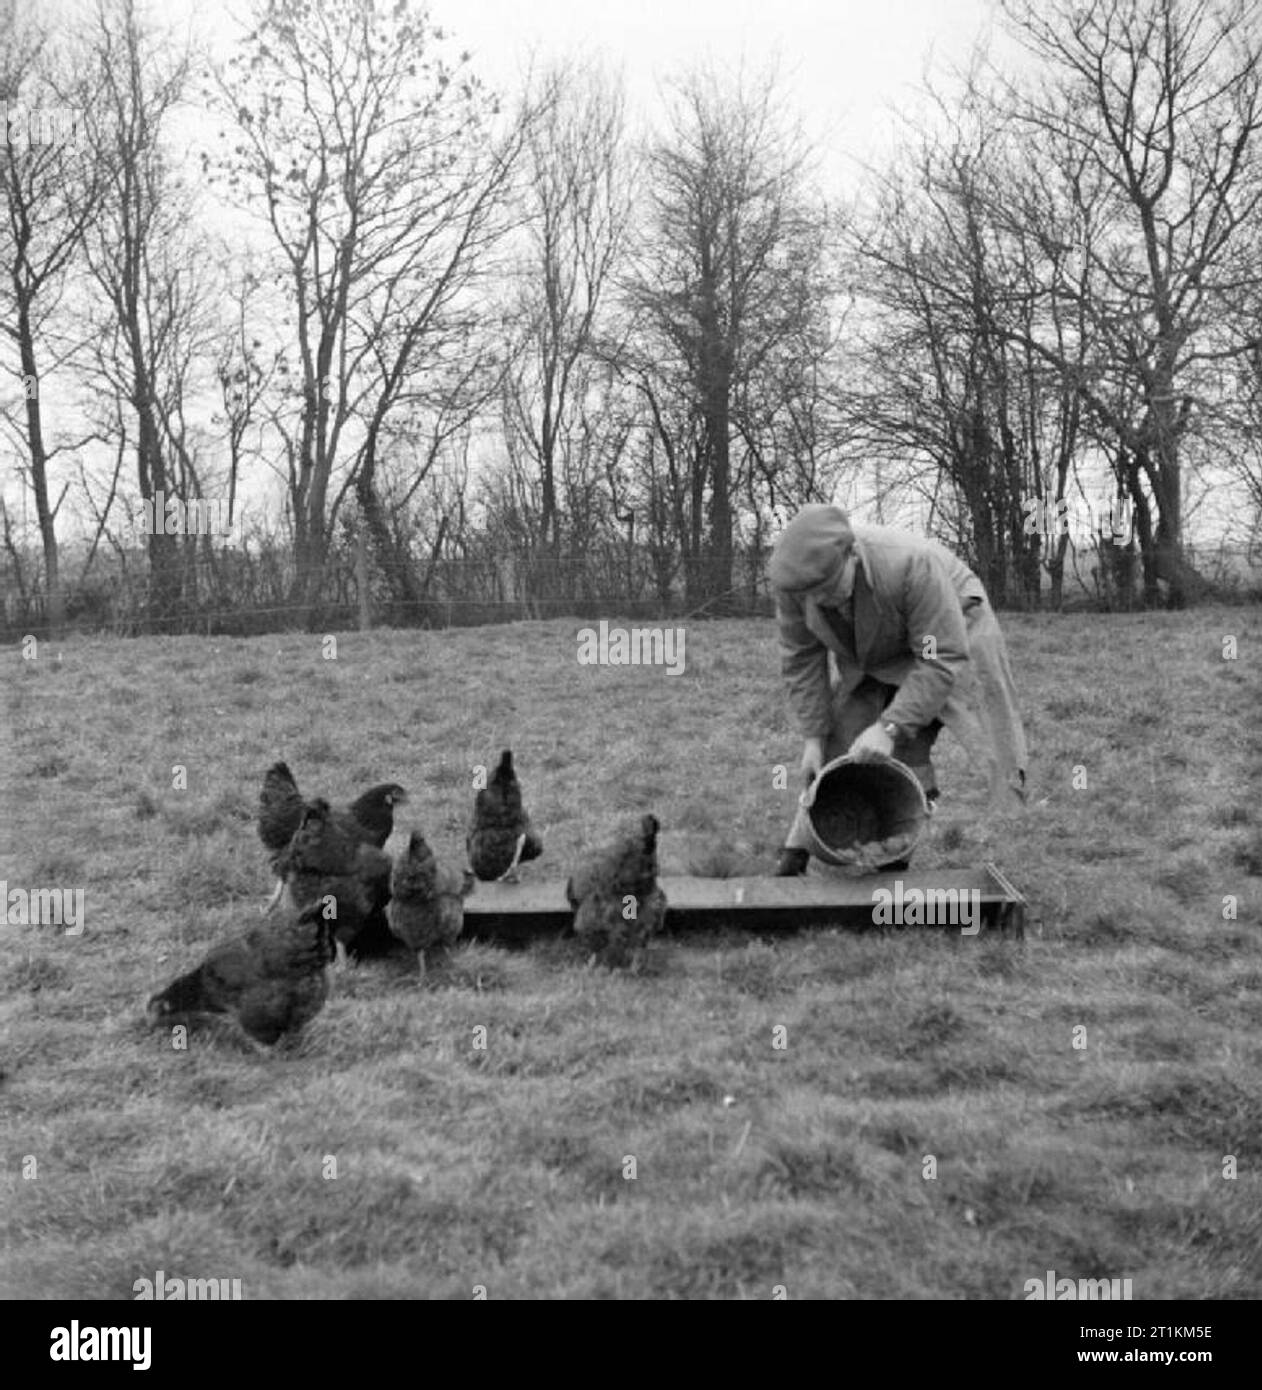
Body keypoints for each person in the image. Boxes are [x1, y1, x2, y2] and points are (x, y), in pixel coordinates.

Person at [769, 503, 1027, 876]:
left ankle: (900, 843)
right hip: (875, 638)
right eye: (813, 596)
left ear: (853, 556)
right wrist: (812, 737)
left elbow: (939, 660)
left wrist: (889, 727)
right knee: (844, 735)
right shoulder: (796, 586)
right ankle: (795, 854)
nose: (822, 600)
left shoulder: (910, 565)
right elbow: (801, 660)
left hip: (950, 628)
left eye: (829, 588)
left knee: (915, 735)